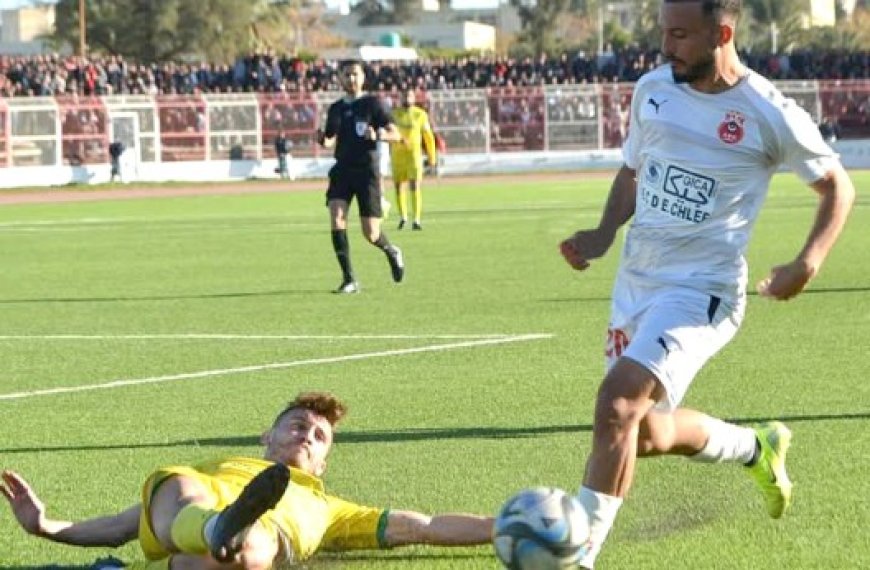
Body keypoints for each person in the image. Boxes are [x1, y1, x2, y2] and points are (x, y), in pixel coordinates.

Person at [558, 1, 855, 568]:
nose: (665, 47)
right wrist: (601, 234)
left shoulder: (767, 111)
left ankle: (578, 554)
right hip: (636, 285)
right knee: (642, 435)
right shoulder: (652, 88)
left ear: (722, 33)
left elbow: (837, 187)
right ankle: (754, 447)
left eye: (679, 35)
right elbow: (633, 170)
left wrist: (807, 263)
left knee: (616, 405)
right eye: (663, 33)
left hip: (703, 292)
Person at [2, 391, 494, 570]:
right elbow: (121, 524)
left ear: (322, 464)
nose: (307, 434)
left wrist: (500, 527)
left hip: (234, 547)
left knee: (250, 550)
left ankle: (222, 537)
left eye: (320, 436)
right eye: (298, 424)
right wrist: (46, 527)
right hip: (200, 505)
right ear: (268, 435)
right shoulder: (219, 467)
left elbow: (424, 525)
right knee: (179, 487)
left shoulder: (332, 508)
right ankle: (220, 531)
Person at [317, 61, 405, 295]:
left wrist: (379, 134)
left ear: (363, 77)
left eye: (355, 75)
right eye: (346, 75)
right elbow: (330, 139)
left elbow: (396, 134)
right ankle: (349, 279)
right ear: (339, 78)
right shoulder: (335, 108)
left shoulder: (374, 104)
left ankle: (391, 250)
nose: (351, 79)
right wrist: (322, 140)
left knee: (371, 233)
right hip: (342, 169)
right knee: (336, 217)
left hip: (367, 171)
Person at [390, 89, 438, 231]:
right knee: (399, 186)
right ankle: (403, 217)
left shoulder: (420, 115)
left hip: (414, 156)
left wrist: (432, 157)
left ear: (414, 98)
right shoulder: (394, 114)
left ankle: (416, 219)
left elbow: (428, 137)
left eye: (409, 95)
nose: (406, 98)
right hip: (397, 155)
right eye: (404, 95)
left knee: (414, 185)